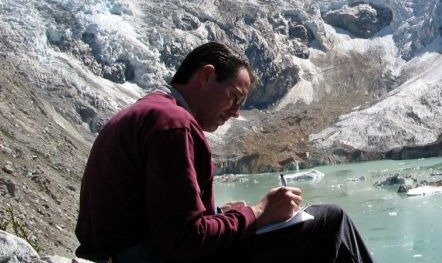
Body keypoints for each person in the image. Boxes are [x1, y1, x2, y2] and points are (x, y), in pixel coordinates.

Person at [75, 41, 375, 263]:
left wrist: (220, 216)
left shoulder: (149, 112)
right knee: (331, 221)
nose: (235, 113)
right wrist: (259, 211)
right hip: (147, 257)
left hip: (124, 254)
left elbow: (163, 219)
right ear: (206, 76)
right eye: (234, 97)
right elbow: (184, 241)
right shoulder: (174, 124)